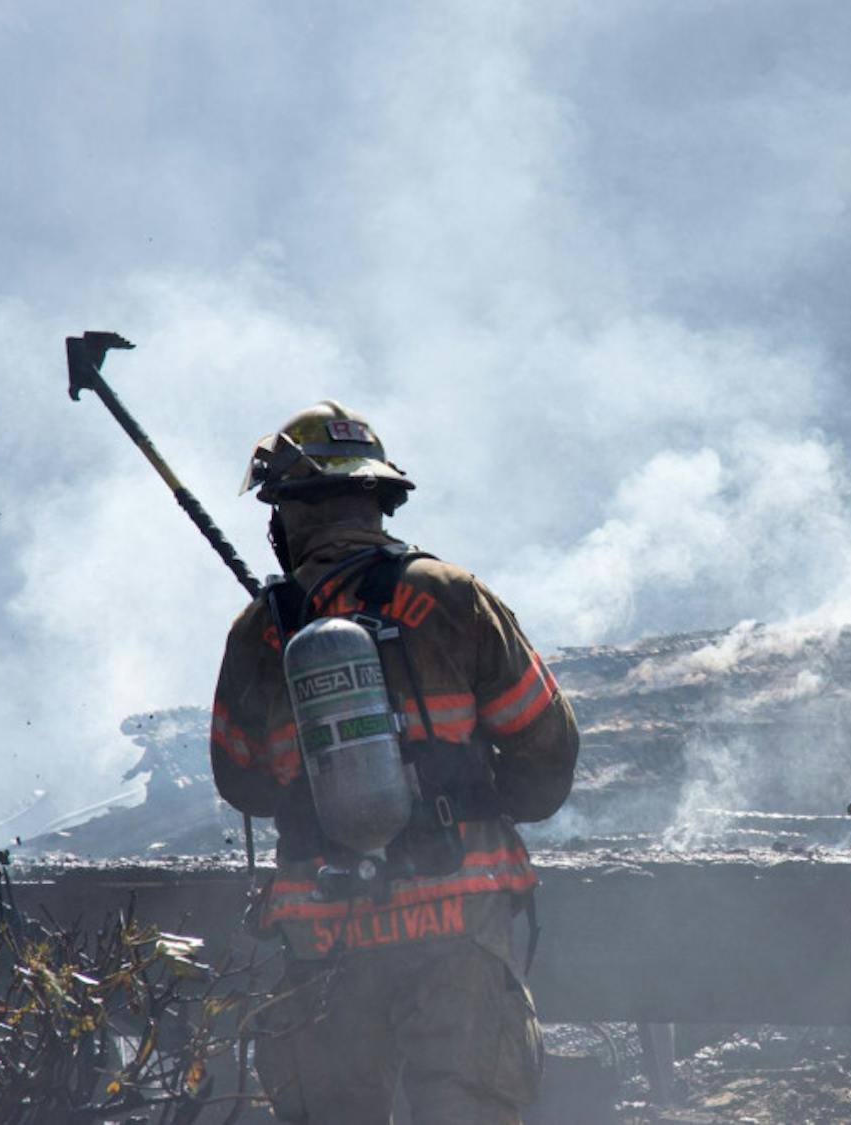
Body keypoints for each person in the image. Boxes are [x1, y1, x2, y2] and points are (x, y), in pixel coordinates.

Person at [211, 400, 579, 1125]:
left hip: (324, 932)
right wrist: (472, 794)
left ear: (286, 514)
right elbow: (547, 747)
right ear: (378, 499)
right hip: (457, 916)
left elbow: (240, 779)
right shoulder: (451, 595)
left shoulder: (260, 629)